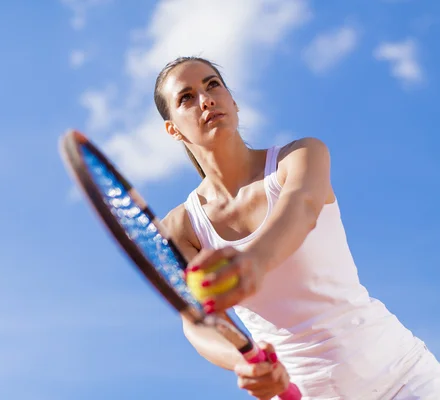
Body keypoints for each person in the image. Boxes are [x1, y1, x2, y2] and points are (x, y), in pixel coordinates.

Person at [155, 56, 440, 399]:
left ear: (233, 100)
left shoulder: (300, 156)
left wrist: (254, 262)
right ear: (172, 128)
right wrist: (247, 362)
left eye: (212, 84)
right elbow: (196, 321)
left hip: (405, 378)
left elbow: (301, 210)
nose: (206, 99)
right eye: (186, 97)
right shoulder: (181, 227)